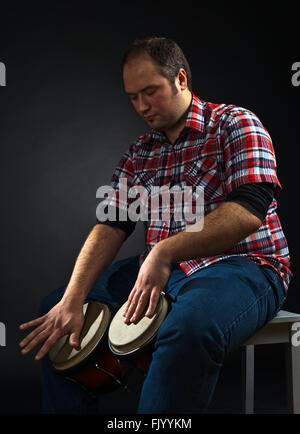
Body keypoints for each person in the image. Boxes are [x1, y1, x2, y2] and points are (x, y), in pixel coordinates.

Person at [19, 36, 292, 414]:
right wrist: (73, 295)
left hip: (242, 264)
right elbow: (112, 224)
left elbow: (249, 210)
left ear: (180, 78)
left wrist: (165, 251)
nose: (142, 106)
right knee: (59, 311)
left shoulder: (236, 123)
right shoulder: (140, 152)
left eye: (150, 91)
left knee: (189, 329)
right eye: (133, 97)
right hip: (162, 268)